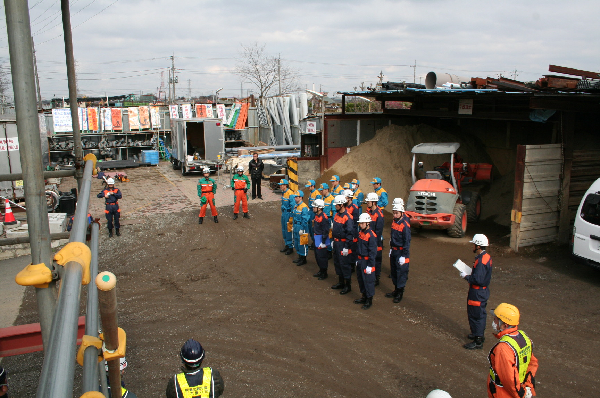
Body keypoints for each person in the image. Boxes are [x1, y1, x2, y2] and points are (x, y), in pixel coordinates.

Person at [487, 303, 538, 398]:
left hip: (503, 393)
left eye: (495, 320)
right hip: (519, 388)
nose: (493, 322)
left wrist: (520, 394)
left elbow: (508, 378)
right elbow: (532, 363)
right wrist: (527, 386)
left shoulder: (503, 348)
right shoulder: (523, 337)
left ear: (504, 325)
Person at [461, 234, 493, 349]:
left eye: (474, 244)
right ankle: (476, 334)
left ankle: (478, 340)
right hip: (481, 292)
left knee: (476, 315)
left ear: (478, 246)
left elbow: (477, 279)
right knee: (477, 314)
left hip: (477, 292)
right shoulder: (486, 257)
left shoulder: (481, 261)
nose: (473, 246)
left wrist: (466, 276)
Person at [386, 200, 411, 303]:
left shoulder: (405, 225)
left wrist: (404, 256)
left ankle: (400, 292)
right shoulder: (394, 221)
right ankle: (396, 290)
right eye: (394, 212)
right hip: (394, 250)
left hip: (401, 252)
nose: (395, 214)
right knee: (394, 271)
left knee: (401, 273)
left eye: (397, 213)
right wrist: (391, 248)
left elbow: (407, 241)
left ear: (401, 213)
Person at [353, 213, 378, 310]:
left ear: (367, 223)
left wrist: (370, 265)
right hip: (360, 260)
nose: (360, 225)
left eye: (362, 223)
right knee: (361, 280)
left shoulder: (371, 235)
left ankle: (369, 299)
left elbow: (372, 252)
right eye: (360, 223)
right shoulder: (361, 233)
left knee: (368, 281)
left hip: (367, 262)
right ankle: (364, 296)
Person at [331, 194, 354, 295]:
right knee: (337, 262)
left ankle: (347, 285)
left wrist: (346, 247)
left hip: (344, 243)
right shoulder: (337, 215)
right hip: (336, 242)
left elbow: (350, 233)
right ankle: (341, 282)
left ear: (342, 205)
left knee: (345, 264)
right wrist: (333, 240)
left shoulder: (348, 217)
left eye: (337, 204)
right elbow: (334, 229)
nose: (335, 206)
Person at [365, 193, 384, 286]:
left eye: (368, 201)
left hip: (376, 241)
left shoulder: (379, 215)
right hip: (367, 239)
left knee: (376, 260)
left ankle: (376, 278)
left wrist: (374, 243)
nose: (367, 202)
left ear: (373, 202)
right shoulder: (368, 211)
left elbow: (378, 231)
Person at [311, 198, 330, 280]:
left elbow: (326, 231)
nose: (313, 208)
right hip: (317, 237)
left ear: (319, 208)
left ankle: (324, 272)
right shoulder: (317, 216)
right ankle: (321, 270)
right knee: (317, 256)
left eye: (314, 207)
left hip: (321, 238)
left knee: (322, 257)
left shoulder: (324, 217)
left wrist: (323, 242)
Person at [291, 190, 310, 266]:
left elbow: (305, 219)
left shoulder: (304, 207)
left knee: (302, 243)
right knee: (297, 242)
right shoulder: (296, 206)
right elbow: (294, 216)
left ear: (301, 197)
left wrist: (302, 229)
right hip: (296, 226)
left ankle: (303, 258)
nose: (295, 198)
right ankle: (300, 257)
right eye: (295, 197)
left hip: (302, 227)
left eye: (296, 197)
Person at [279, 179, 295, 255]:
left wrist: (291, 217)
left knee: (289, 231)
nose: (280, 186)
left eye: (281, 185)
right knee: (284, 230)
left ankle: (290, 247)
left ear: (285, 185)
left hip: (288, 214)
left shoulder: (290, 194)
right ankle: (287, 244)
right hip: (284, 214)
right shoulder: (283, 193)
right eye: (280, 185)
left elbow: (293, 206)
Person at [319, 183, 335, 259]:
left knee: (328, 235)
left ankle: (329, 251)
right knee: (322, 234)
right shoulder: (322, 198)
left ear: (326, 190)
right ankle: (323, 249)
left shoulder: (332, 199)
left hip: (328, 219)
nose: (321, 192)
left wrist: (333, 222)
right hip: (322, 219)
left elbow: (334, 211)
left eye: (322, 190)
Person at [344, 189, 359, 271]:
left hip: (352, 232)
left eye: (345, 197)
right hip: (346, 230)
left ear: (349, 198)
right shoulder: (345, 207)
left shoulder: (355, 208)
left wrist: (352, 234)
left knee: (353, 249)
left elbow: (355, 223)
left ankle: (352, 265)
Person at [305, 180, 322, 248]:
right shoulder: (311, 193)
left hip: (314, 212)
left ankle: (316, 243)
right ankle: (313, 241)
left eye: (309, 186)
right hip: (310, 212)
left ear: (313, 186)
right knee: (310, 227)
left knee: (314, 228)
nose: (308, 188)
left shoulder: (317, 194)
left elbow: (318, 205)